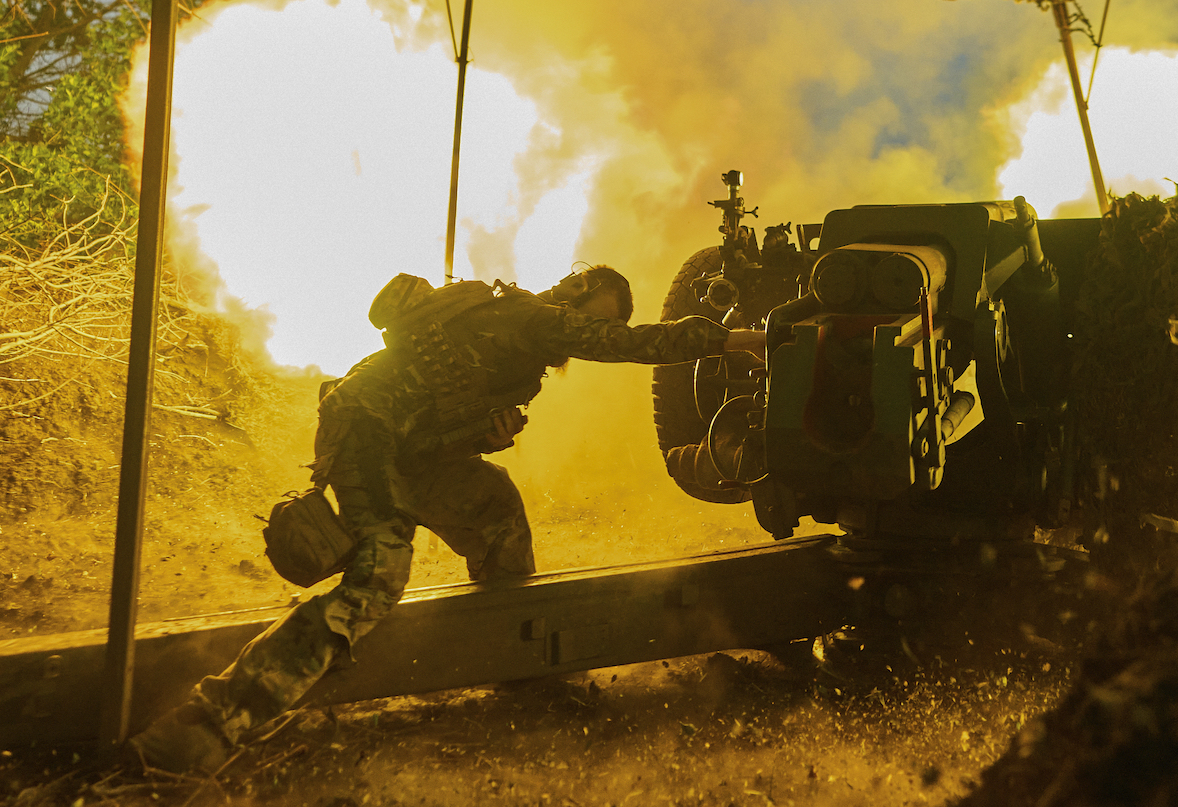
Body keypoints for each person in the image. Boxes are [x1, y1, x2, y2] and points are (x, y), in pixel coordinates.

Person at [130, 264, 764, 774]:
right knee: (379, 578)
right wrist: (726, 339)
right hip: (369, 432)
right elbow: (629, 345)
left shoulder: (513, 342)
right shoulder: (532, 317)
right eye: (599, 311)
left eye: (605, 319)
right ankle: (210, 721)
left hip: (406, 446)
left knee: (495, 510)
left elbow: (440, 429)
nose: (597, 330)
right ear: (575, 292)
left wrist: (482, 437)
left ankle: (517, 670)